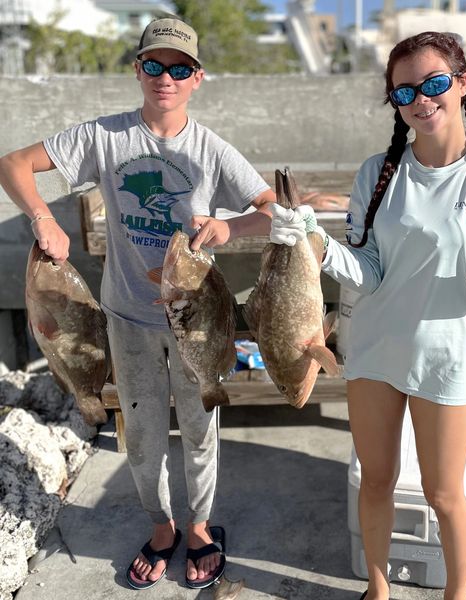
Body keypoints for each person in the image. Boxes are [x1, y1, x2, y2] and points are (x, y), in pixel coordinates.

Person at [269, 32, 466, 600]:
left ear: (463, 84)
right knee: (377, 481)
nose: (421, 98)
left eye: (434, 83)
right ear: (394, 100)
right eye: (404, 90)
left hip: (448, 358)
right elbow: (366, 271)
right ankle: (379, 587)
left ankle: (457, 593)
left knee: (445, 494)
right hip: (373, 352)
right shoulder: (378, 173)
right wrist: (309, 238)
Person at [0, 16, 277, 591]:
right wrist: (44, 218)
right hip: (126, 317)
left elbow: (272, 210)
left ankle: (200, 527)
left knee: (201, 428)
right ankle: (161, 527)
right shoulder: (104, 137)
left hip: (196, 321)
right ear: (137, 70)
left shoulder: (212, 149)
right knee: (144, 430)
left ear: (197, 78)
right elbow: (13, 164)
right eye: (154, 65)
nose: (165, 77)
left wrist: (229, 229)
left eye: (179, 68)